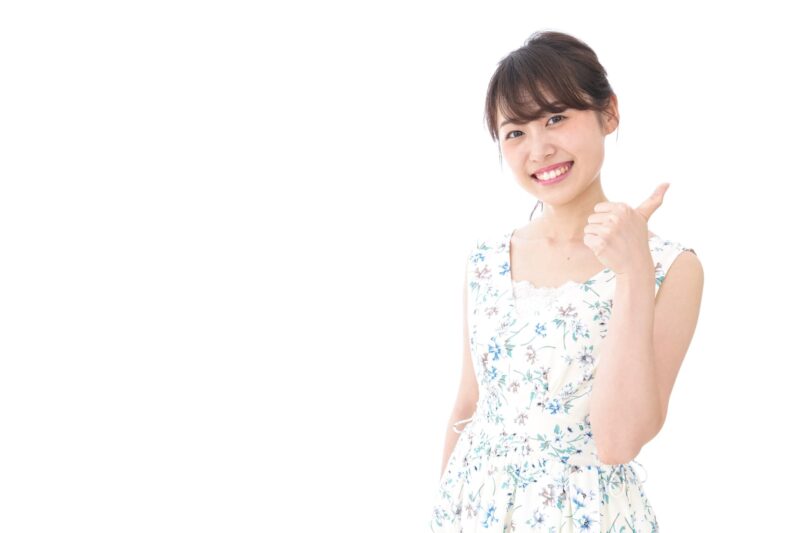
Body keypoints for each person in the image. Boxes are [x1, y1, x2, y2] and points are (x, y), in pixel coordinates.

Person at [428, 30, 703, 532]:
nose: (539, 149)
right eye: (516, 132)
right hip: (475, 512)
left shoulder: (671, 267)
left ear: (608, 113)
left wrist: (633, 270)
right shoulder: (486, 261)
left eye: (556, 118)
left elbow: (618, 442)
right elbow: (468, 406)